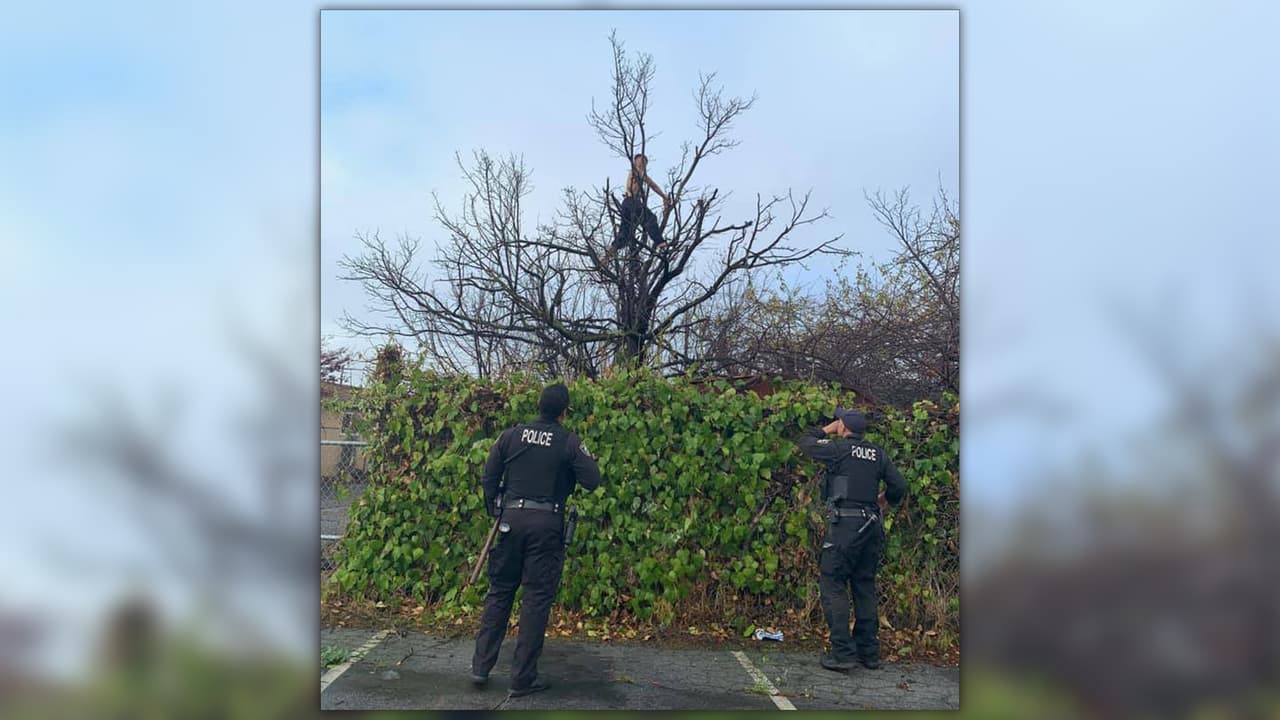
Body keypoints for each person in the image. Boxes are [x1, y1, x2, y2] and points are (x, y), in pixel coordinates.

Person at [470, 382, 602, 697]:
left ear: (539, 406)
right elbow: (592, 480)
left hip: (510, 522)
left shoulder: (511, 436)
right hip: (546, 525)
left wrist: (495, 508)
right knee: (536, 599)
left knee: (500, 592)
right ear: (564, 412)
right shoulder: (569, 441)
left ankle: (480, 667)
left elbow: (489, 476)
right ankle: (522, 679)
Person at [797, 407, 907, 672]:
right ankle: (869, 653)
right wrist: (885, 500)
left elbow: (806, 443)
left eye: (839, 422)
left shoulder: (839, 449)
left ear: (843, 427)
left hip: (845, 527)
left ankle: (843, 653)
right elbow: (899, 486)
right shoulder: (877, 454)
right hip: (871, 526)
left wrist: (827, 429)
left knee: (833, 583)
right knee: (864, 585)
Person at [611, 153, 672, 252]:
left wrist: (664, 196)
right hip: (631, 201)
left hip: (627, 203)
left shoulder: (641, 174)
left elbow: (653, 186)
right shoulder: (635, 171)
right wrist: (629, 192)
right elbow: (650, 185)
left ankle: (612, 249)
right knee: (650, 218)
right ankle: (660, 242)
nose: (643, 163)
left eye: (645, 162)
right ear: (635, 162)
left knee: (626, 231)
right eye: (641, 161)